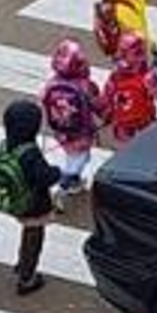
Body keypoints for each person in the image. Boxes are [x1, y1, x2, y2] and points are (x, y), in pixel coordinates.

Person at [0, 99, 61, 296]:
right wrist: (56, 171)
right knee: (34, 238)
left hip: (16, 199)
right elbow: (45, 177)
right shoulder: (31, 153)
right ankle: (27, 278)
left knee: (27, 233)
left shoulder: (6, 144)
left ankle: (21, 264)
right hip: (34, 204)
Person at [40, 38, 101, 210]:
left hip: (61, 130)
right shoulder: (84, 85)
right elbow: (97, 104)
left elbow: (43, 98)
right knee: (79, 159)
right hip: (81, 131)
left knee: (73, 155)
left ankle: (74, 183)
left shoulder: (52, 83)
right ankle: (62, 187)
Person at [102, 30, 157, 143]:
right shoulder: (145, 75)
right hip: (138, 125)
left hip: (131, 127)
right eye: (139, 52)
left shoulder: (116, 76)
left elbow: (106, 99)